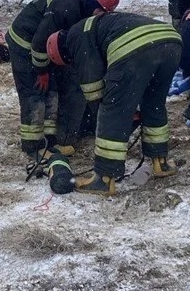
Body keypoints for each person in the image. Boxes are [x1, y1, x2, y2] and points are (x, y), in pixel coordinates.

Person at [46, 11, 182, 196]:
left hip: (135, 46)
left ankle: (103, 179)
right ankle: (161, 162)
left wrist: (102, 113)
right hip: (170, 41)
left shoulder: (75, 37)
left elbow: (93, 87)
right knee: (154, 104)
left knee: (113, 110)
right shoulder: (95, 25)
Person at [5, 0, 120, 162]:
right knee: (34, 92)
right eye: (100, 12)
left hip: (46, 46)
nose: (100, 17)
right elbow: (39, 43)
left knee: (51, 90)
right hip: (25, 43)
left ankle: (50, 138)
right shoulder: (66, 8)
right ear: (94, 4)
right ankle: (33, 146)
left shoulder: (85, 9)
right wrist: (41, 71)